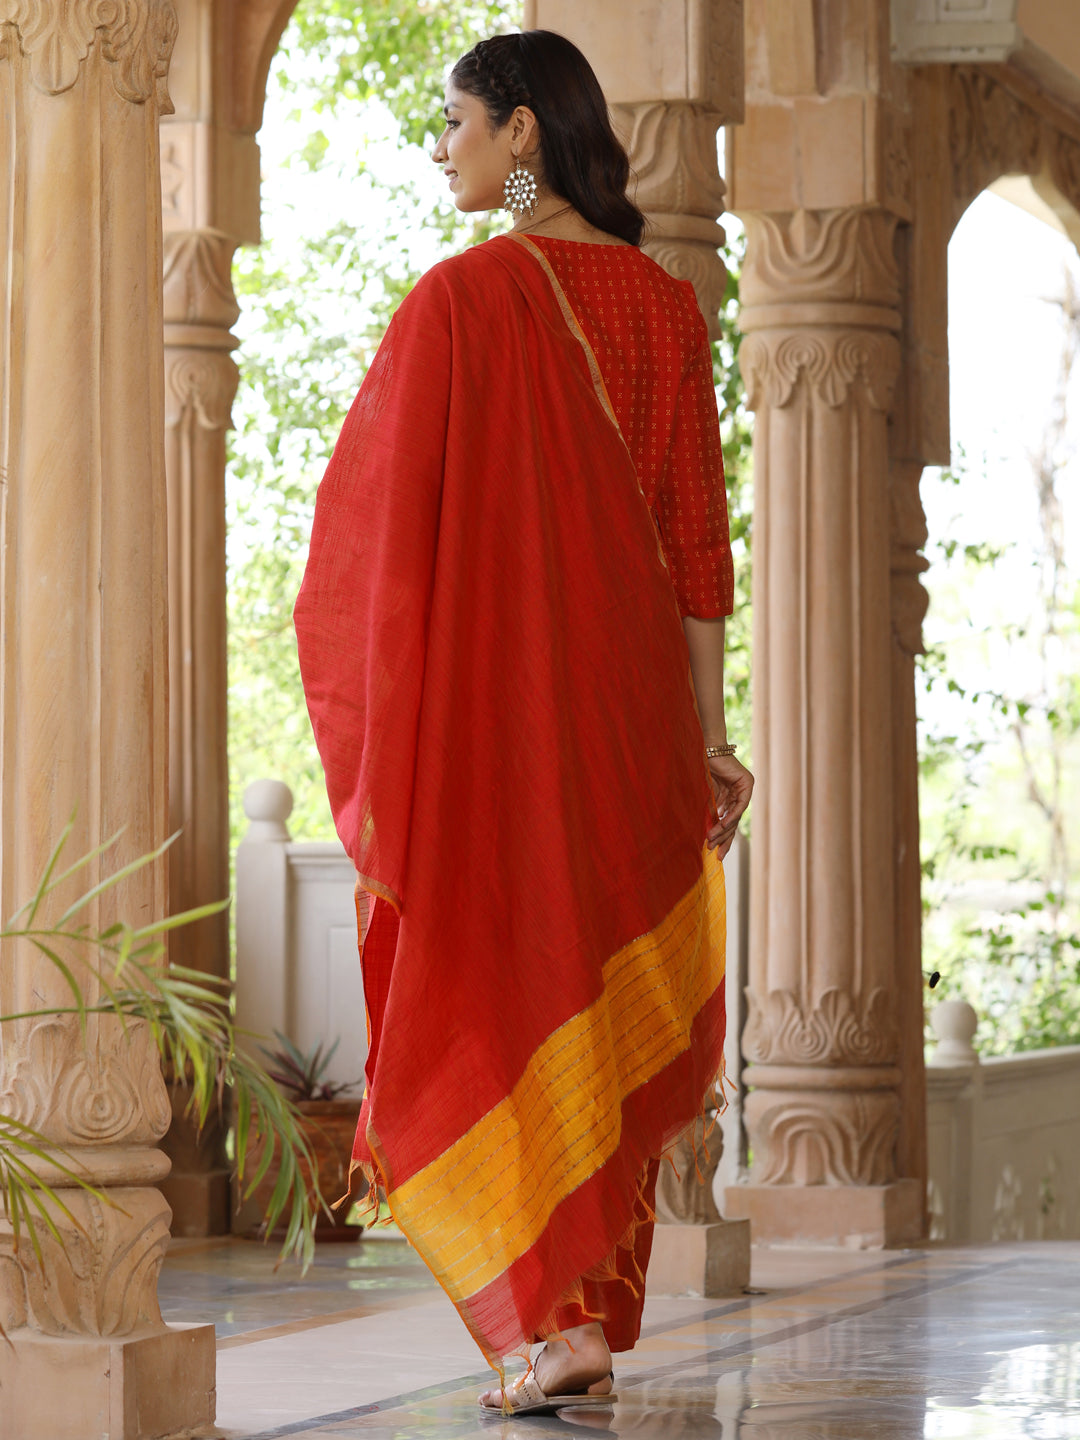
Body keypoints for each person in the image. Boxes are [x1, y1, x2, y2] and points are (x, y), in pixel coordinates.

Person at [293, 28, 754, 1417]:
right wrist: (706, 734)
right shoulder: (666, 307)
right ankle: (585, 1321)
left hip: (510, 724)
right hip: (629, 730)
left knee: (512, 979)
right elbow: (694, 550)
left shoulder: (462, 304)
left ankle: (551, 1328)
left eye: (457, 126)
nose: (444, 150)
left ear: (520, 139)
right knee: (604, 986)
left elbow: (372, 550)